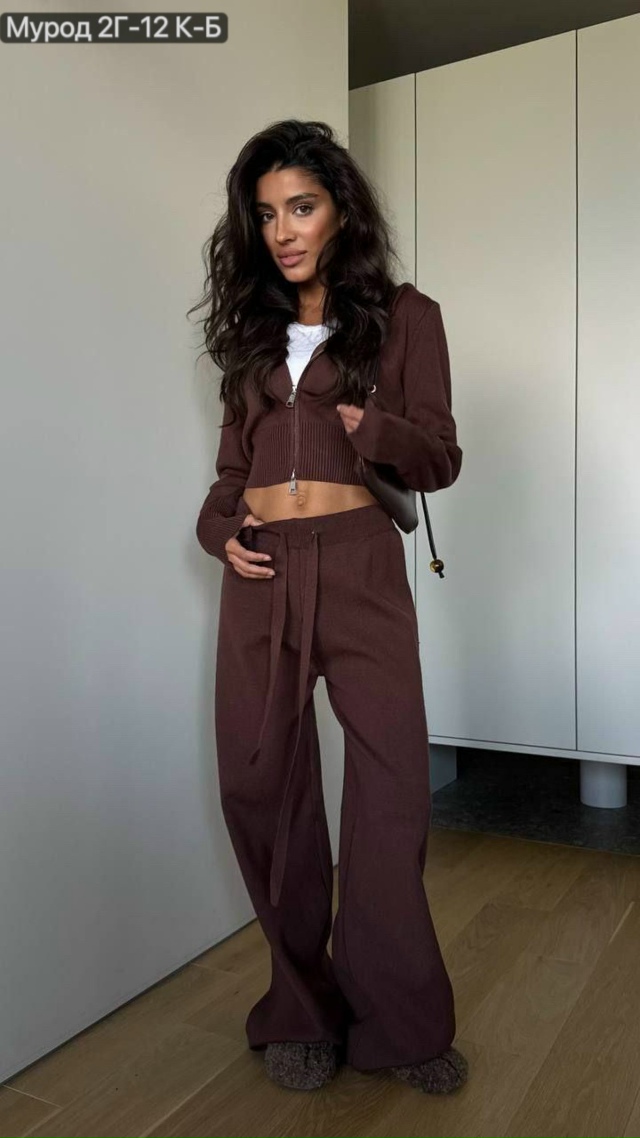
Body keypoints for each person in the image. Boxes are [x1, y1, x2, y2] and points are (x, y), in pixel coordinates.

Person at [189, 119, 468, 1095]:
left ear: (341, 210)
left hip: (358, 565)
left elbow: (440, 455)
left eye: (300, 207)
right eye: (266, 214)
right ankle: (301, 1008)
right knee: (259, 783)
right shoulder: (252, 335)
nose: (282, 230)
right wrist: (217, 528)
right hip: (262, 571)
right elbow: (231, 470)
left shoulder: (406, 316)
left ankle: (400, 1020)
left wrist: (375, 425)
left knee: (391, 789)